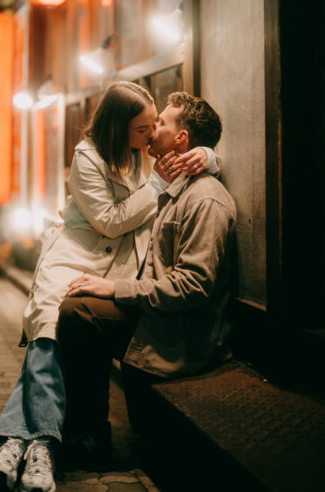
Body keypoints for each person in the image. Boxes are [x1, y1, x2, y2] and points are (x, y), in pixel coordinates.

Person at [0, 81, 218, 492]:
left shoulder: (152, 156)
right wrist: (155, 187)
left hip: (119, 266)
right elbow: (109, 221)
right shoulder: (88, 155)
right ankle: (38, 442)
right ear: (120, 126)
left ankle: (22, 441)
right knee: (48, 329)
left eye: (155, 125)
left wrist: (210, 155)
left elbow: (196, 164)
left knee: (67, 323)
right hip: (76, 253)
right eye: (144, 127)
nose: (150, 133)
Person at [57, 92, 236, 454]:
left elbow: (192, 286)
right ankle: (84, 430)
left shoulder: (205, 199)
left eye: (162, 124)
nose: (152, 131)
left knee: (79, 314)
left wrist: (116, 288)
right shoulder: (170, 181)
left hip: (180, 329)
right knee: (75, 304)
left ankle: (88, 435)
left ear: (182, 139)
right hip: (154, 308)